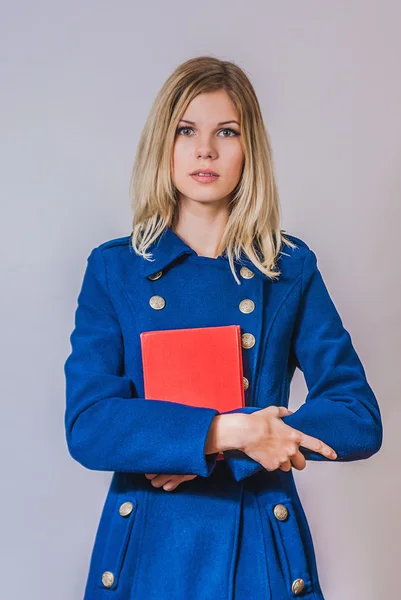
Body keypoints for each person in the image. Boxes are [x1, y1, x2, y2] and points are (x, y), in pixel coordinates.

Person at [63, 55, 383, 600]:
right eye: (186, 130)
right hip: (148, 546)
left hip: (257, 540)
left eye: (226, 132)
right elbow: (90, 424)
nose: (204, 150)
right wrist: (230, 434)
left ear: (248, 149)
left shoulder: (288, 270)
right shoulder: (114, 270)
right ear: (162, 144)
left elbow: (357, 415)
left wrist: (231, 453)